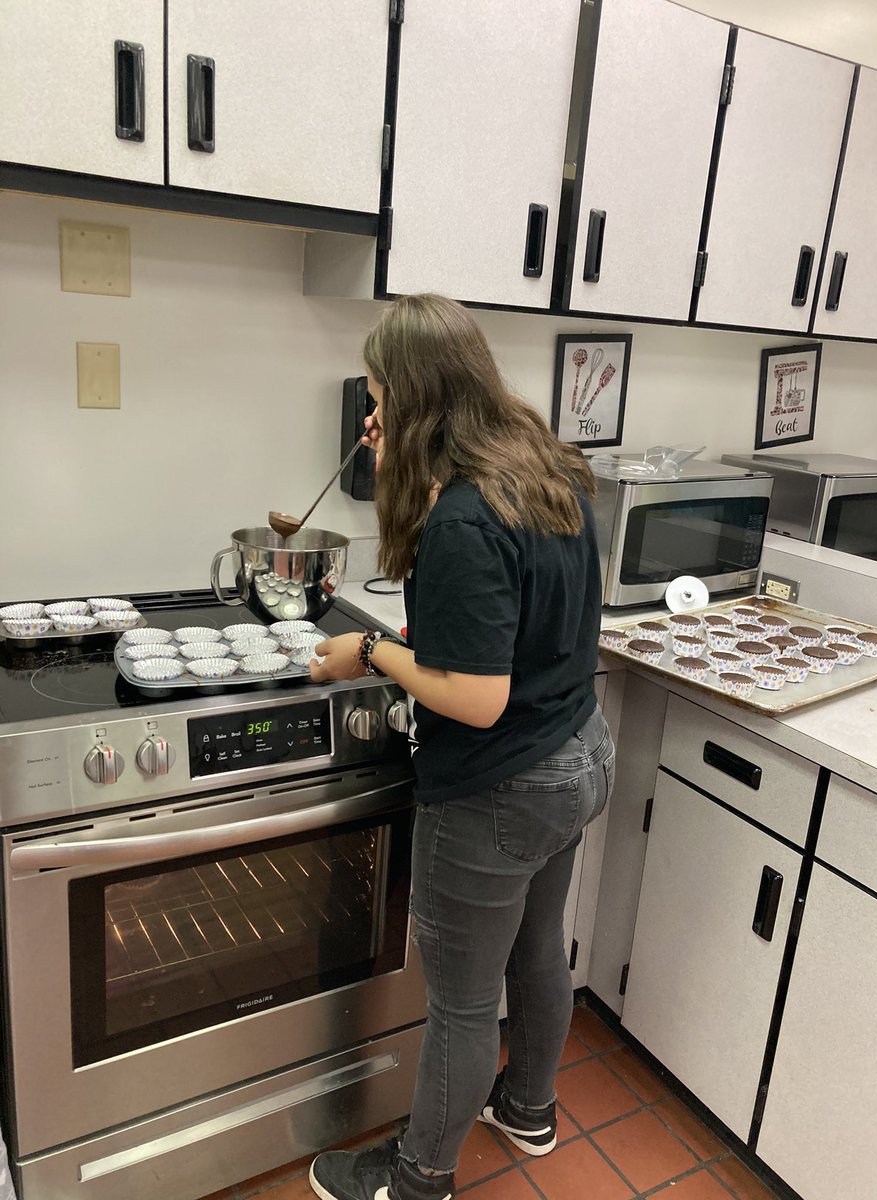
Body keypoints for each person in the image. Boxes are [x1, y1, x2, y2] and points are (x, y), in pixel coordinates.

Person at [307, 295, 615, 1200]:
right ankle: (527, 1109)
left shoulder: (464, 519)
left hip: (500, 786)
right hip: (577, 755)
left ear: (413, 396)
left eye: (378, 396)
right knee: (539, 951)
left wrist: (370, 651)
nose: (371, 415)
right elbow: (516, 625)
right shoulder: (543, 467)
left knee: (464, 1002)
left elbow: (476, 701)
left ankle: (418, 1178)